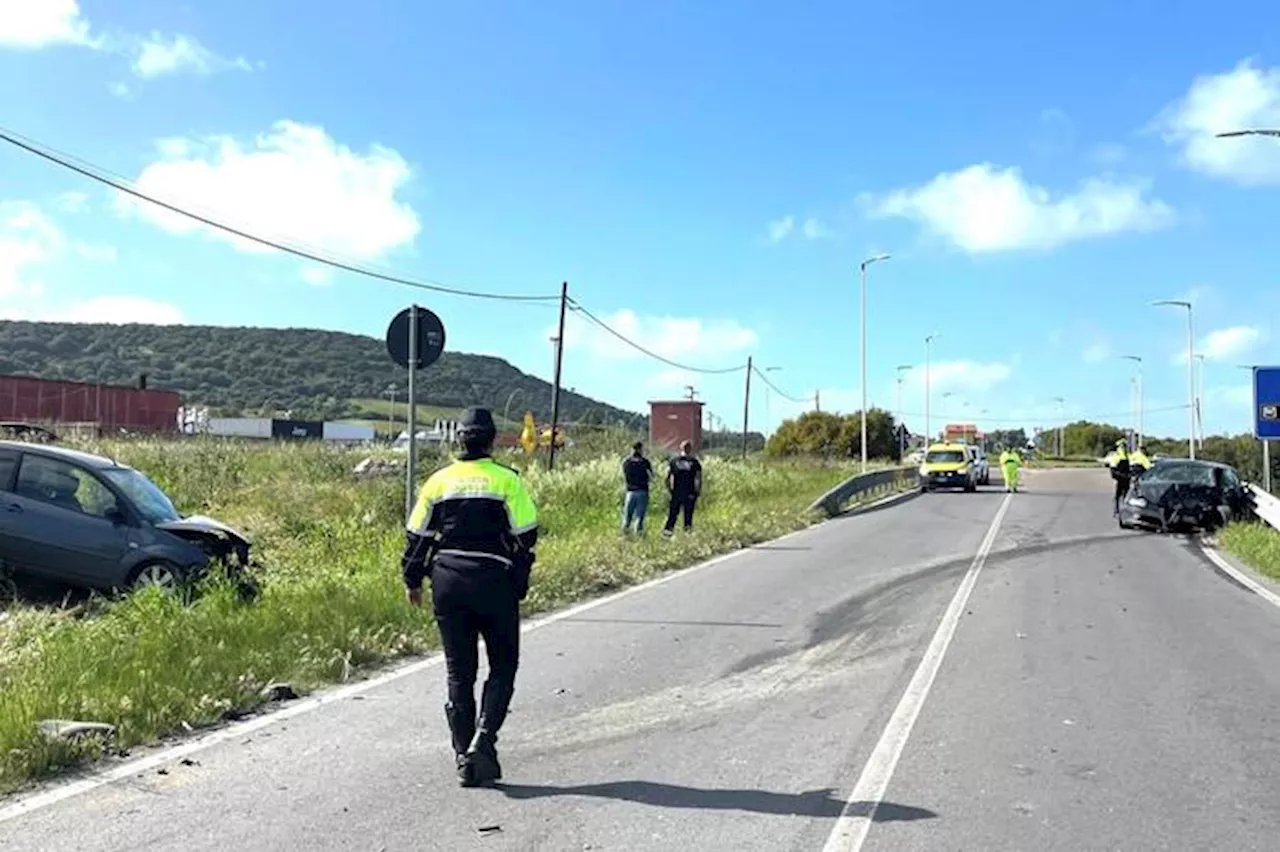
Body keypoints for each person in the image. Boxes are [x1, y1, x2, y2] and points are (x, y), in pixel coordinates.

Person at [401, 406, 539, 788]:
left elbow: (417, 538)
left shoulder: (438, 481)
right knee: (503, 665)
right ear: (492, 440)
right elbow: (527, 533)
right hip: (494, 579)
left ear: (458, 439)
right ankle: (484, 738)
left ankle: (463, 756)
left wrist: (412, 580)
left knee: (458, 672)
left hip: (447, 580)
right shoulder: (507, 480)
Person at [662, 440, 702, 536]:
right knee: (688, 516)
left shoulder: (674, 461)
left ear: (681, 448)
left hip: (676, 492)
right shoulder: (694, 462)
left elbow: (667, 478)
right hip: (689, 493)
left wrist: (670, 490)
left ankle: (667, 533)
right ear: (690, 449)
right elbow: (698, 478)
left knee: (672, 515)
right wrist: (697, 492)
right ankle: (687, 534)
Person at [621, 441, 654, 534]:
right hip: (642, 491)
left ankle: (625, 534)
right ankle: (638, 535)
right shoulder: (645, 462)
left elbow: (625, 475)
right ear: (640, 449)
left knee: (627, 516)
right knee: (639, 516)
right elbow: (651, 476)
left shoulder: (626, 462)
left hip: (630, 491)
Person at [1109, 438, 1131, 516]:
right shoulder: (1118, 455)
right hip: (1122, 477)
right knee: (1120, 494)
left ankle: (1119, 510)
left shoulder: (1126, 455)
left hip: (1124, 477)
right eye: (1123, 446)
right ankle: (1117, 509)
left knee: (1123, 494)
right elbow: (1113, 470)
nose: (1124, 448)